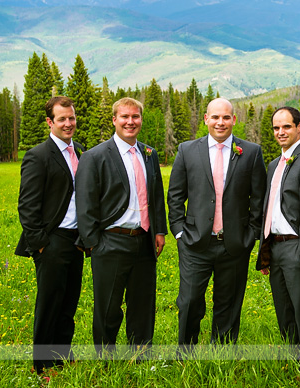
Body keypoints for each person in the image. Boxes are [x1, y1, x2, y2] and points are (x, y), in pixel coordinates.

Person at [168, 97, 266, 350]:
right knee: (189, 301)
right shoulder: (187, 150)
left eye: (226, 117)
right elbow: (176, 195)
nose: (220, 122)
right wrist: (179, 232)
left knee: (229, 302)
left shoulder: (251, 152)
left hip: (234, 244)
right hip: (194, 243)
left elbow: (259, 197)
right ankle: (186, 351)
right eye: (215, 117)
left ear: (234, 119)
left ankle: (221, 352)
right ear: (206, 119)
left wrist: (252, 233)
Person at [76, 97, 167, 356]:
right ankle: (105, 354)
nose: (130, 122)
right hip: (110, 241)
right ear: (114, 120)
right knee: (108, 305)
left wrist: (159, 230)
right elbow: (85, 203)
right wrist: (94, 243)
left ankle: (140, 353)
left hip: (144, 240)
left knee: (142, 303)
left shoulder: (149, 154)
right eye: (124, 117)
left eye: (135, 117)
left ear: (141, 119)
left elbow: (157, 196)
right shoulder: (95, 156)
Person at [16, 96, 85, 375]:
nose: (68, 124)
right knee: (49, 304)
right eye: (62, 119)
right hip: (52, 240)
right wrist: (41, 244)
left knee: (69, 302)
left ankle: (61, 356)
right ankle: (42, 365)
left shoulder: (80, 151)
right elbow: (27, 204)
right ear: (50, 122)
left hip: (76, 240)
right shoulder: (38, 155)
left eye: (71, 118)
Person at [255, 106, 300, 359]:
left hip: (297, 247)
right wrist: (264, 252)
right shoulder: (274, 165)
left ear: (299, 127)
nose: (281, 132)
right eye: (276, 127)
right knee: (283, 307)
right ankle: (292, 353)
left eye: (286, 126)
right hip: (275, 247)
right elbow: (269, 208)